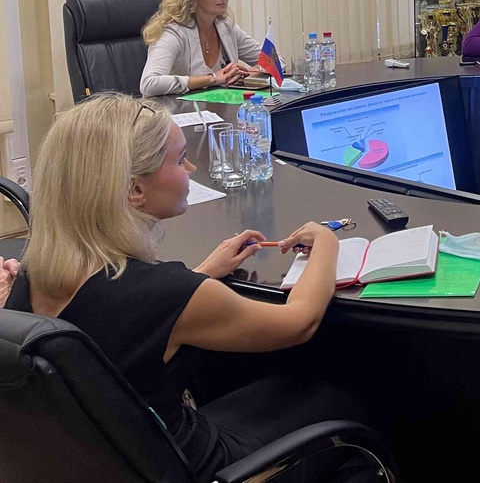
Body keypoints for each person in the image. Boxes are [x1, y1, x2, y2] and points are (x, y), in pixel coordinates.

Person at [4, 94, 372, 479]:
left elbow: (123, 317)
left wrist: (202, 274)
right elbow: (299, 322)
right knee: (342, 392)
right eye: (180, 160)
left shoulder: (32, 274)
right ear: (134, 190)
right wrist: (326, 243)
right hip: (195, 465)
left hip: (102, 461)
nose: (192, 168)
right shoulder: (166, 293)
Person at [140, 0, 261, 96]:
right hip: (178, 108)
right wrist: (212, 79)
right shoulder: (173, 33)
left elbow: (274, 61)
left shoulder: (226, 27)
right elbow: (149, 84)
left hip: (220, 106)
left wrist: (245, 73)